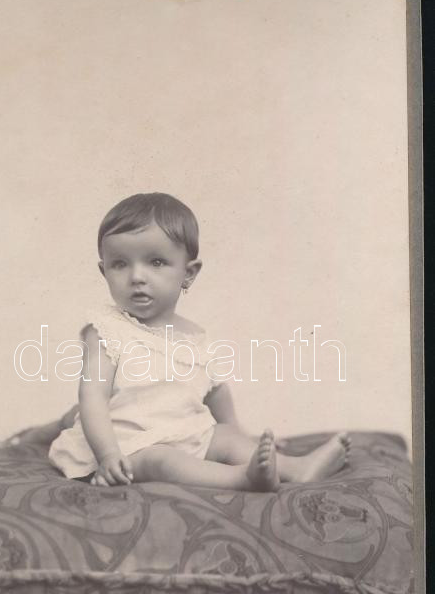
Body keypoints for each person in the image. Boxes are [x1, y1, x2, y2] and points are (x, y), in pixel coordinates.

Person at [49, 192, 350, 490]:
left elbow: (217, 391)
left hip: (184, 435)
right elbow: (92, 396)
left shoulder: (195, 337)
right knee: (161, 459)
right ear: (104, 271)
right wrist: (108, 455)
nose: (137, 276)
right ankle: (242, 478)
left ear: (188, 273)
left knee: (225, 438)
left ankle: (298, 469)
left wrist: (241, 435)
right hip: (128, 447)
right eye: (120, 264)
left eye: (156, 262)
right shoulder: (106, 329)